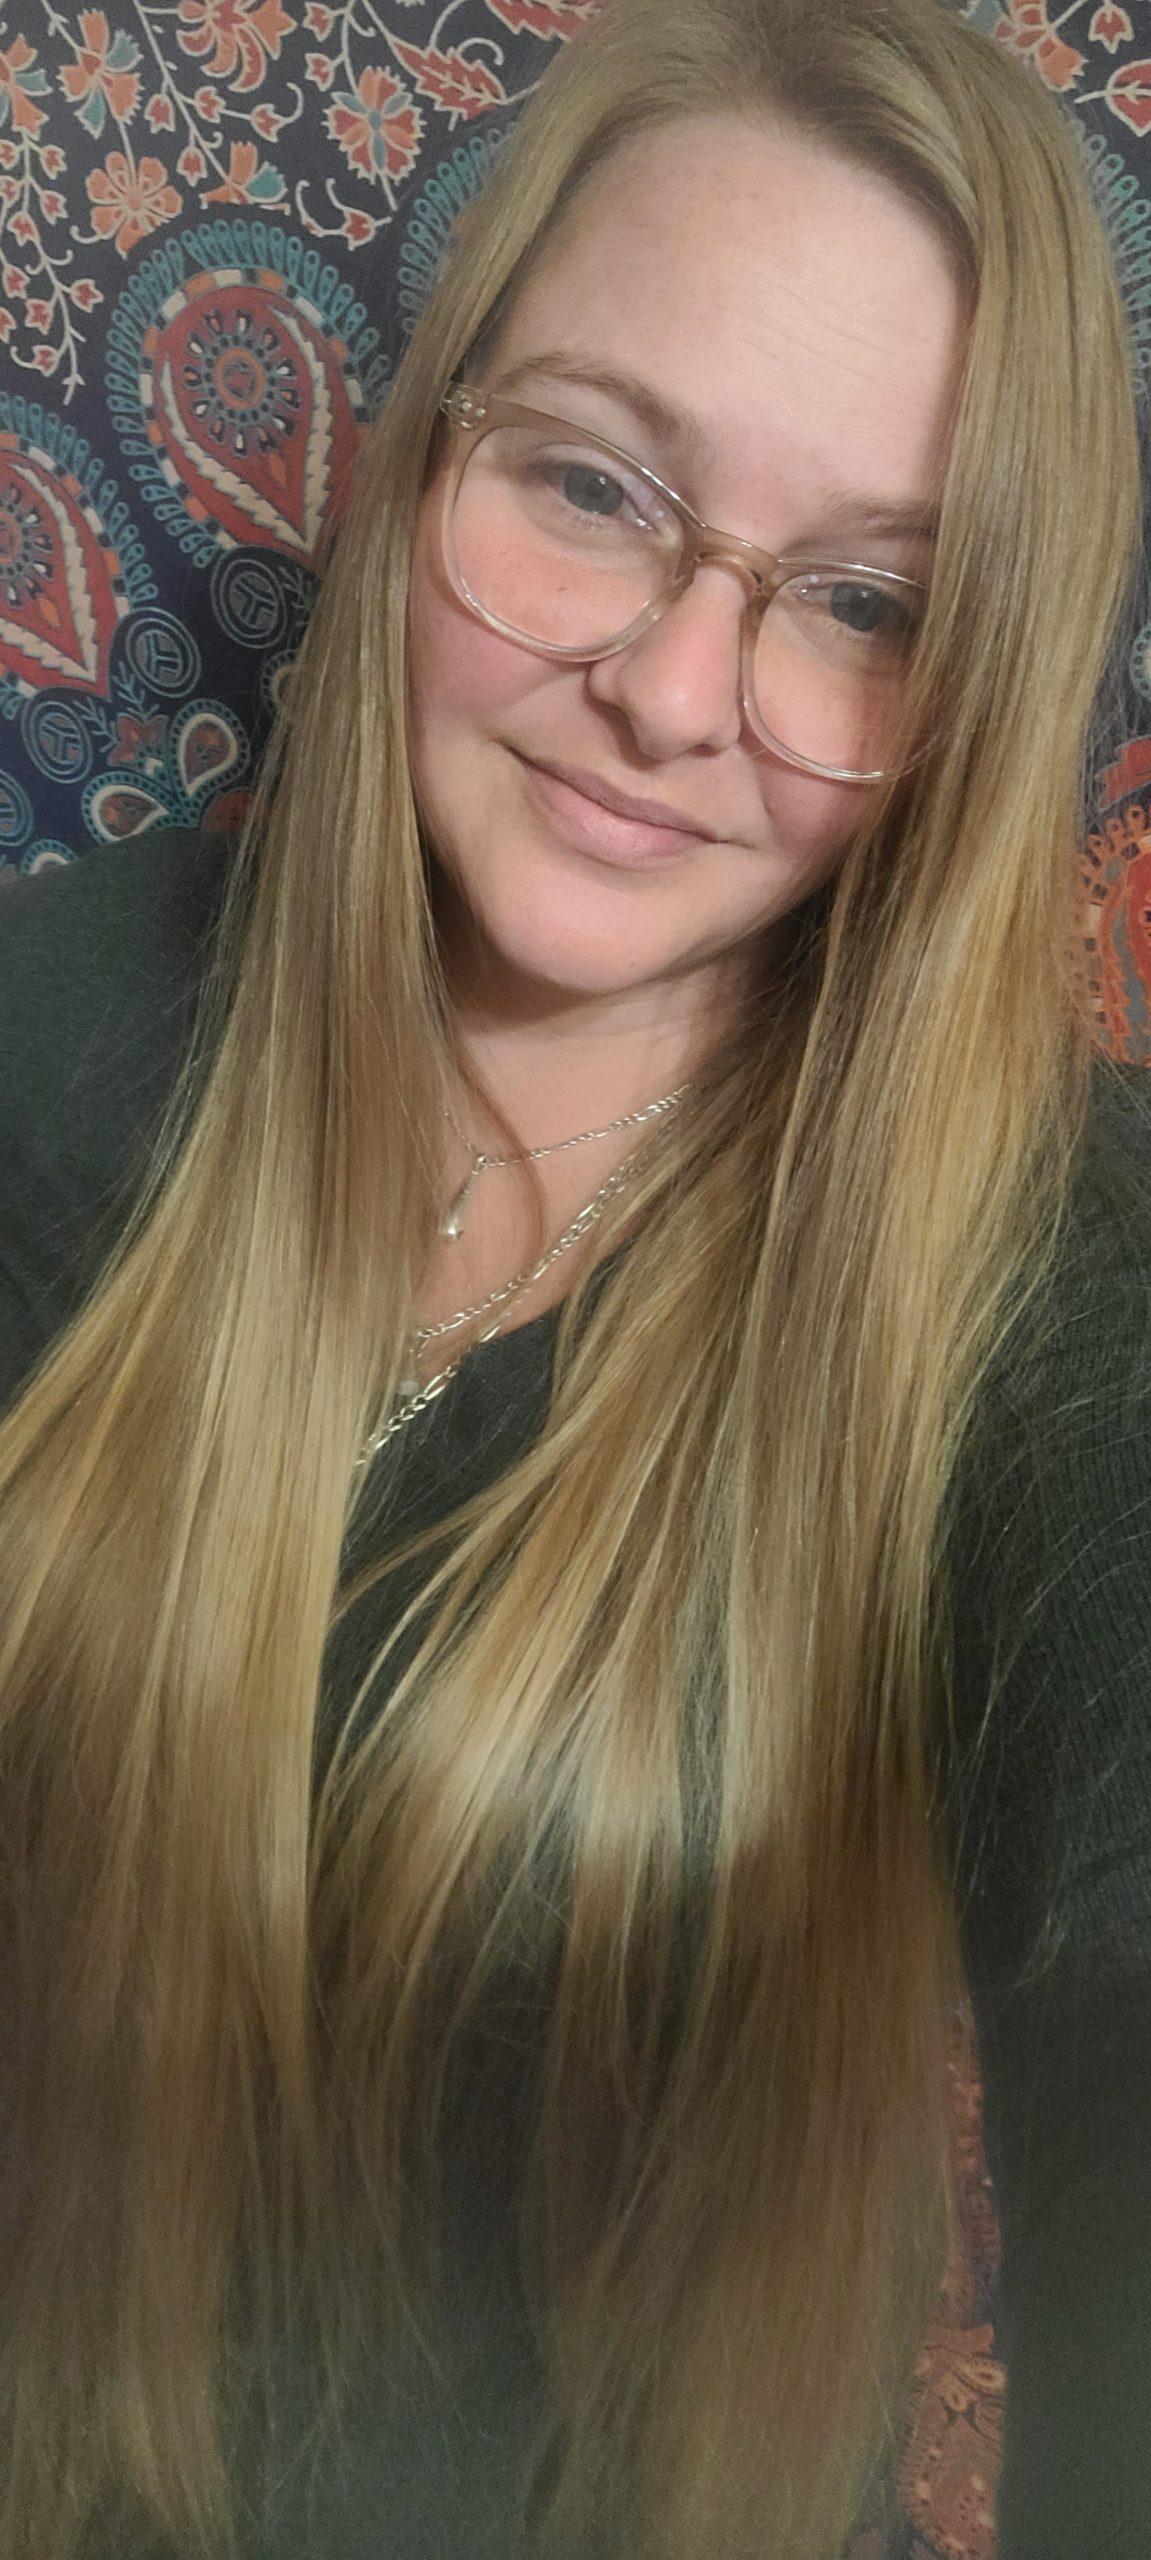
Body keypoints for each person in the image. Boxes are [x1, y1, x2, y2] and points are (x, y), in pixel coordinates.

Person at [0, 0, 1147, 2552]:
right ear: (432, 451)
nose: (671, 690)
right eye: (598, 484)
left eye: (868, 599)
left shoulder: (1049, 1286)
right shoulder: (60, 1020)